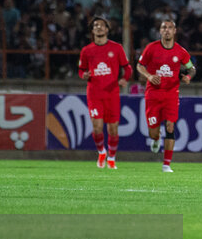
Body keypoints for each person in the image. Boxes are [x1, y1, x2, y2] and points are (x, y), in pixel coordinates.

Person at [136, 17, 195, 173]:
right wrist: (149, 76)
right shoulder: (151, 48)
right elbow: (139, 65)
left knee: (170, 125)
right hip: (153, 94)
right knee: (153, 132)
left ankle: (166, 164)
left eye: (170, 27)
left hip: (171, 94)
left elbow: (191, 68)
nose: (167, 30)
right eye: (164, 27)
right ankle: (156, 139)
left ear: (175, 31)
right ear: (160, 30)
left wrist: (188, 77)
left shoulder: (181, 52)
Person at [78, 16, 132, 169]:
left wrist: (124, 79)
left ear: (107, 29)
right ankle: (102, 152)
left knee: (113, 129)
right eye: (95, 25)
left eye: (102, 25)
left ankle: (112, 158)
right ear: (92, 30)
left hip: (112, 94)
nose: (98, 28)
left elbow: (127, 68)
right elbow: (81, 70)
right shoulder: (86, 51)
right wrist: (84, 76)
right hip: (94, 94)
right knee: (97, 127)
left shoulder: (116, 48)